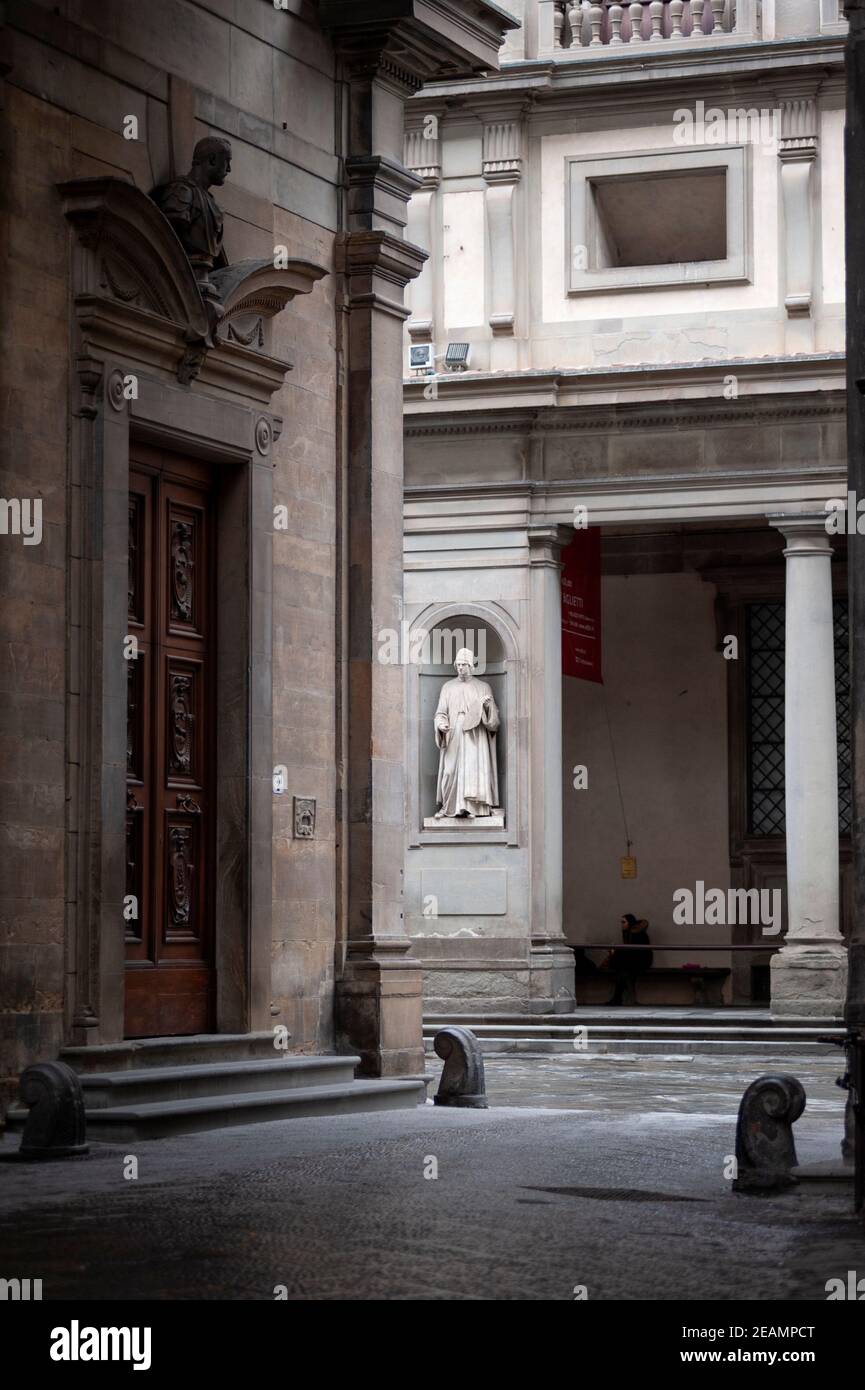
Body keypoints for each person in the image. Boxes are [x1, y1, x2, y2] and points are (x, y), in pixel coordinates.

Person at [433, 648, 500, 819]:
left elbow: (494, 720)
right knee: (449, 771)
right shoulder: (447, 687)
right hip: (454, 732)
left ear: (471, 666)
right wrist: (441, 725)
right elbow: (440, 712)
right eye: (458, 664)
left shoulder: (483, 687)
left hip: (475, 735)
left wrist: (486, 707)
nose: (460, 668)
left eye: (464, 664)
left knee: (473, 770)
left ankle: (473, 808)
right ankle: (449, 806)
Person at [601, 913, 653, 1005]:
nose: (622, 924)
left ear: (630, 923)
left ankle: (619, 999)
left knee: (623, 972)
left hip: (641, 962)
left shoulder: (637, 934)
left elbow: (634, 953)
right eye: (621, 922)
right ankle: (621, 999)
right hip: (634, 962)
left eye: (624, 922)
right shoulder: (629, 933)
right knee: (623, 972)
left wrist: (615, 953)